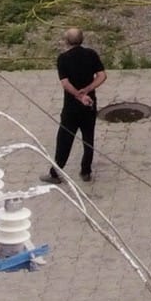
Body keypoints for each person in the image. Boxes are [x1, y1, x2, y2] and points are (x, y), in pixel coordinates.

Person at [49, 25, 106, 183]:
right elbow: (102, 76)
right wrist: (87, 90)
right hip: (90, 104)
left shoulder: (63, 58)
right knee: (88, 138)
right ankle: (86, 171)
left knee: (64, 139)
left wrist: (78, 95)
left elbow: (65, 83)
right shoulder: (91, 54)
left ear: (66, 41)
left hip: (71, 107)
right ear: (82, 39)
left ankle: (56, 172)